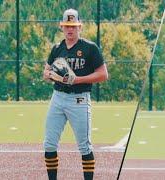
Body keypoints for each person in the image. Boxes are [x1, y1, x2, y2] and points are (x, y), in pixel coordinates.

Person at [42, 9, 108, 180]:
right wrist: (51, 75)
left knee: (84, 146)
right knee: (49, 144)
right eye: (67, 26)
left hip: (79, 98)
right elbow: (46, 72)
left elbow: (103, 74)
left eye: (73, 26)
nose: (70, 30)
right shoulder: (57, 48)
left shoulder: (90, 48)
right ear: (62, 27)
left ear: (80, 27)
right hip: (57, 97)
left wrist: (77, 79)